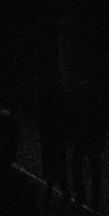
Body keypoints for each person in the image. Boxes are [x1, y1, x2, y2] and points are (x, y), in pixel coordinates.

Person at [67, 79, 107, 213]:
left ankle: (84, 195)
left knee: (82, 167)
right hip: (88, 139)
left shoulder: (86, 104)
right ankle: (90, 197)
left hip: (87, 139)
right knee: (91, 169)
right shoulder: (94, 103)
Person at [35, 79, 70, 208]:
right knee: (57, 165)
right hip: (56, 137)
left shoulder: (48, 104)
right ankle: (60, 192)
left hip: (52, 137)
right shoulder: (60, 101)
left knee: (53, 165)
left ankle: (51, 193)